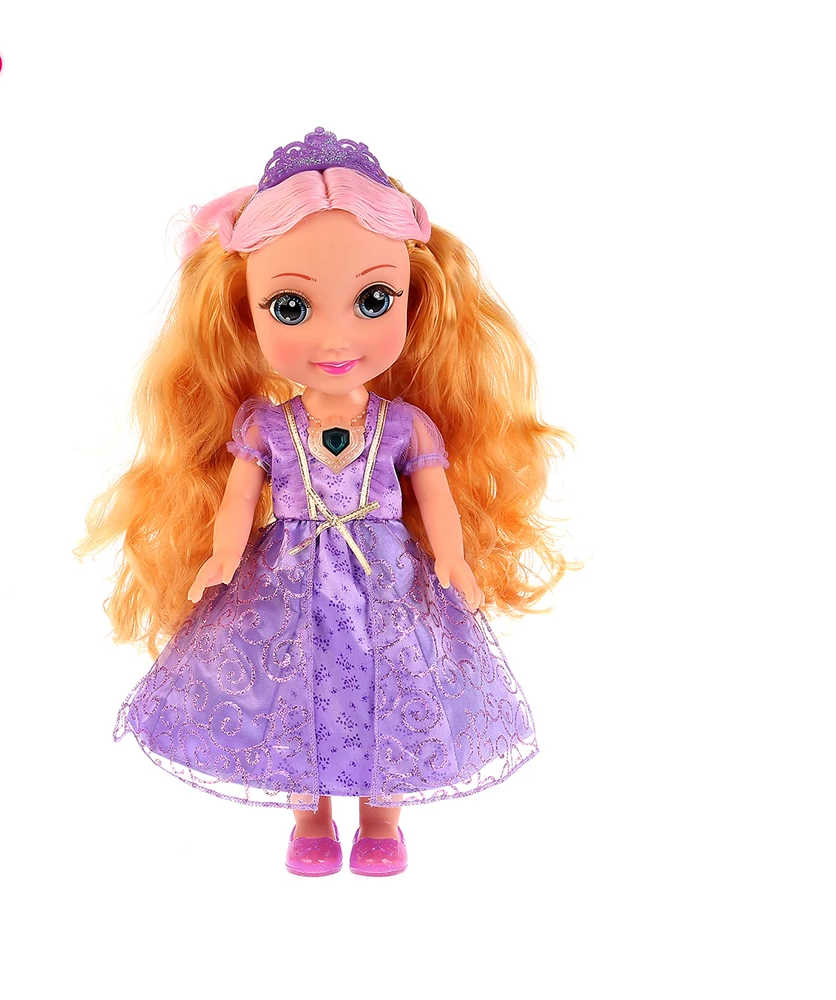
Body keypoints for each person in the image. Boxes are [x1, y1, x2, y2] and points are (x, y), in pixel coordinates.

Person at [77, 126, 571, 877]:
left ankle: (381, 820)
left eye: (373, 300)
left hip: (388, 581)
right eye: (290, 306)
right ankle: (310, 818)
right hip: (290, 577)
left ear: (414, 300)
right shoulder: (265, 428)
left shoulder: (406, 426)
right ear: (246, 312)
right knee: (295, 690)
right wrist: (220, 556)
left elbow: (435, 499)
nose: (337, 337)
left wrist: (454, 562)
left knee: (390, 690)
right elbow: (240, 500)